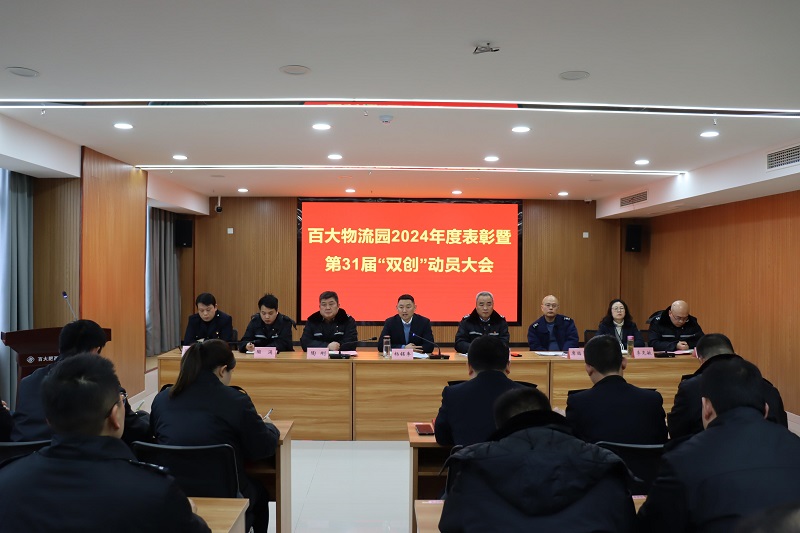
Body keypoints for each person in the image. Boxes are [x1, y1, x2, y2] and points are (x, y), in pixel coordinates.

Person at [0, 353, 210, 532]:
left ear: (49, 420)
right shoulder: (155, 492)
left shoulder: (7, 482)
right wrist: (185, 511)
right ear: (114, 416)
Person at [439, 386, 635, 532]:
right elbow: (627, 524)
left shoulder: (474, 466)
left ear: (500, 425)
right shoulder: (603, 462)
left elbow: (450, 526)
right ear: (549, 415)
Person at [637, 358, 800, 532]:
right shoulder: (796, 445)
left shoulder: (681, 460)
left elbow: (648, 526)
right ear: (766, 409)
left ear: (707, 407)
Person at [150, 339, 279, 533]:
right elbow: (263, 448)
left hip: (172, 492)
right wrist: (270, 427)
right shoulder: (236, 400)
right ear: (222, 370)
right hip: (225, 493)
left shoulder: (161, 399)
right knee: (260, 493)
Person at [11, 319, 150, 445]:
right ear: (96, 350)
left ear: (60, 348)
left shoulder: (27, 382)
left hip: (24, 455)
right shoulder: (98, 383)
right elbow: (133, 429)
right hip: (73, 458)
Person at [667, 333, 786, 440]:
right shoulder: (766, 386)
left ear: (701, 359)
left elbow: (677, 433)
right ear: (734, 353)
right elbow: (781, 428)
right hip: (766, 451)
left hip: (705, 454)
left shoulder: (690, 388)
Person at [565, 335, 667, 444]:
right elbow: (662, 442)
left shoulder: (578, 403)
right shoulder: (652, 400)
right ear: (623, 363)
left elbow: (573, 447)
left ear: (588, 368)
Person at [434, 335, 522, 446]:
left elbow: (442, 438)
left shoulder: (453, 394)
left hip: (469, 457)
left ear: (469, 367)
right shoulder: (529, 395)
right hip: (515, 457)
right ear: (508, 366)